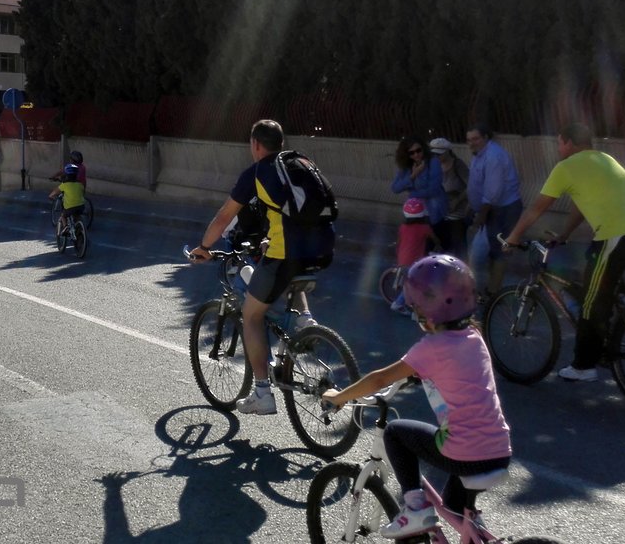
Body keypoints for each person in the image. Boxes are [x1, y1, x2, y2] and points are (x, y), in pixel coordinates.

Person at [322, 255, 512, 539]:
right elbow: (459, 373)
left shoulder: (431, 348)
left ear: (424, 310)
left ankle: (415, 508)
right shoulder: (474, 335)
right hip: (498, 449)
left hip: (464, 452)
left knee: (395, 433)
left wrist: (340, 397)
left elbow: (380, 379)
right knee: (454, 505)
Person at [190, 119, 334, 415]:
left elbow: (224, 217)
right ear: (281, 142)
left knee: (251, 315)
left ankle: (262, 393)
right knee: (289, 273)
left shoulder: (257, 173)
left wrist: (203, 247)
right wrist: (270, 238)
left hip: (285, 254)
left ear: (255, 144)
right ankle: (305, 321)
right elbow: (292, 213)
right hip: (321, 249)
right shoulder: (299, 163)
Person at [503, 122, 625, 382]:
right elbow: (581, 205)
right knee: (594, 262)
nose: (558, 148)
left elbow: (537, 208)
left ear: (568, 142)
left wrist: (513, 237)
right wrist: (564, 235)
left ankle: (584, 366)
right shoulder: (605, 159)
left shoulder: (566, 167)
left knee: (590, 302)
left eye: (559, 143)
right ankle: (622, 299)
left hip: (618, 235)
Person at [465, 125, 522, 295]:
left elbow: (492, 193)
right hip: (490, 210)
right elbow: (476, 185)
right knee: (488, 251)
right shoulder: (479, 154)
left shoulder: (493, 156)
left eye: (475, 139)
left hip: (502, 210)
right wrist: (472, 207)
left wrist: (481, 216)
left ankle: (493, 293)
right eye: (468, 140)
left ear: (485, 137)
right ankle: (489, 289)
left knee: (498, 252)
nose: (471, 143)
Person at [389, 197, 440, 315]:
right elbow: (435, 240)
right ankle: (399, 304)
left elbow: (399, 242)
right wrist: (438, 246)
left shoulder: (403, 227)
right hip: (415, 263)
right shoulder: (425, 228)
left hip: (402, 260)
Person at [391, 136, 448, 238]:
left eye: (418, 150)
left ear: (423, 149)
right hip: (416, 214)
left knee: (437, 241)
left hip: (433, 212)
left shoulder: (433, 162)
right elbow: (395, 188)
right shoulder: (407, 166)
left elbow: (434, 189)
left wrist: (412, 195)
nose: (416, 154)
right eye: (411, 153)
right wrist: (413, 175)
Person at [430, 138, 470, 257]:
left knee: (458, 245)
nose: (437, 157)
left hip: (457, 212)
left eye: (439, 154)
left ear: (448, 151)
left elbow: (471, 186)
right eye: (434, 154)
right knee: (443, 244)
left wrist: (457, 201)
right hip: (440, 212)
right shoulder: (434, 166)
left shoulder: (458, 165)